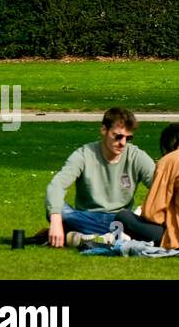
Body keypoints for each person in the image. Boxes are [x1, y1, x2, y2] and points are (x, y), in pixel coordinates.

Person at [41, 106, 156, 248]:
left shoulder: (136, 156)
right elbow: (57, 186)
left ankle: (82, 236)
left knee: (138, 220)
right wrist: (56, 220)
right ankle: (113, 236)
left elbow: (160, 187)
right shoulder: (84, 154)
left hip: (121, 218)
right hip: (86, 216)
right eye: (118, 136)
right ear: (103, 130)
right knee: (60, 211)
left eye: (128, 138)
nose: (123, 143)